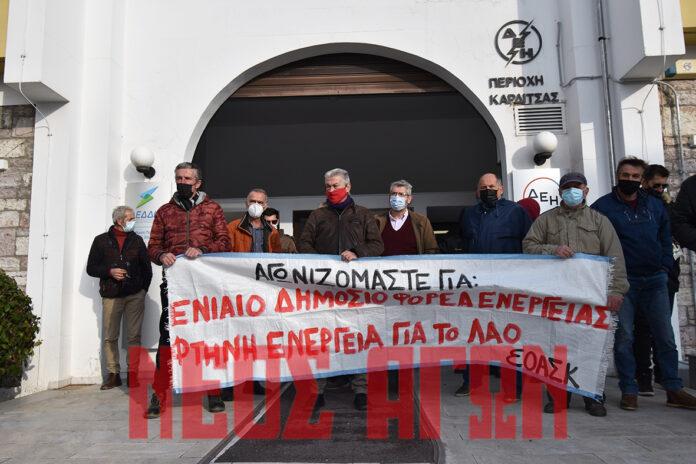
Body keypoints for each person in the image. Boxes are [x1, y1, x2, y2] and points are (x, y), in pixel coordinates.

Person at [592, 157, 696, 411]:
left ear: (642, 179)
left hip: (655, 279)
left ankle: (673, 388)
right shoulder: (602, 207)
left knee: (665, 336)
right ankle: (629, 389)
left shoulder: (654, 205)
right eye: (625, 175)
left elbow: (665, 236)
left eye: (635, 177)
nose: (630, 180)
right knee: (624, 338)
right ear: (617, 176)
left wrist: (664, 265)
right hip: (622, 282)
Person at [523, 172, 628, 416]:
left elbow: (615, 257)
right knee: (557, 346)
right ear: (560, 192)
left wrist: (616, 290)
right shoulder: (545, 221)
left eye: (577, 187)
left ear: (586, 190)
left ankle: (593, 397)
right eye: (567, 188)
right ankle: (559, 396)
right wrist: (552, 249)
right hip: (558, 296)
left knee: (591, 346)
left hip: (591, 296)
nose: (572, 191)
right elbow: (528, 246)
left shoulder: (600, 221)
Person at [145, 162, 231, 419]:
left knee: (210, 336)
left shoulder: (213, 209)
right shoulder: (164, 211)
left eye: (187, 178)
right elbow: (152, 246)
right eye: (179, 178)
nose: (182, 182)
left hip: (206, 286)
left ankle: (213, 391)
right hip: (174, 287)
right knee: (168, 338)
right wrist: (161, 255)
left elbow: (224, 241)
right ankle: (159, 394)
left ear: (198, 183)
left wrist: (203, 249)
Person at [297, 168, 384, 411]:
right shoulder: (317, 215)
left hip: (355, 290)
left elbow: (377, 245)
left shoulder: (364, 214)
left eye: (335, 185)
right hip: (323, 289)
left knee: (358, 338)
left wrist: (357, 253)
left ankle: (361, 390)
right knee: (321, 340)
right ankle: (317, 391)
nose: (331, 190)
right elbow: (304, 243)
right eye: (327, 186)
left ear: (348, 186)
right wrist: (321, 264)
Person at [456, 173, 532, 399]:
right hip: (476, 287)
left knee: (510, 336)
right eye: (483, 187)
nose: (487, 190)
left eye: (491, 186)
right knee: (473, 334)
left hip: (508, 287)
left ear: (501, 189)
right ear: (476, 192)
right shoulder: (468, 214)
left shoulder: (516, 212)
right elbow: (461, 246)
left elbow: (529, 245)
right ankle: (471, 381)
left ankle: (513, 386)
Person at [87, 205, 152, 390]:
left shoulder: (137, 240)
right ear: (119, 220)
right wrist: (110, 271)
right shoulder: (101, 240)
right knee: (110, 336)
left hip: (135, 295)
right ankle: (113, 375)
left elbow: (146, 269)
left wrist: (142, 290)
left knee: (134, 336)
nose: (133, 222)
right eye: (131, 218)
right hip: (111, 295)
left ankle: (133, 374)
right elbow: (91, 268)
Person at [634, 164, 681, 396]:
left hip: (665, 276)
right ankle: (644, 375)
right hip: (641, 275)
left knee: (663, 329)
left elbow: (674, 234)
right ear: (645, 182)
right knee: (642, 327)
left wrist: (665, 267)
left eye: (663, 186)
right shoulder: (639, 204)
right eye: (656, 185)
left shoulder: (667, 206)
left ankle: (666, 376)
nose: (660, 190)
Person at [374, 179, 440, 255]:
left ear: (409, 199)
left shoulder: (422, 221)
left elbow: (431, 250)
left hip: (414, 263)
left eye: (401, 194)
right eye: (393, 194)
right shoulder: (376, 221)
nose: (396, 197)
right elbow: (369, 246)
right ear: (389, 197)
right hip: (384, 263)